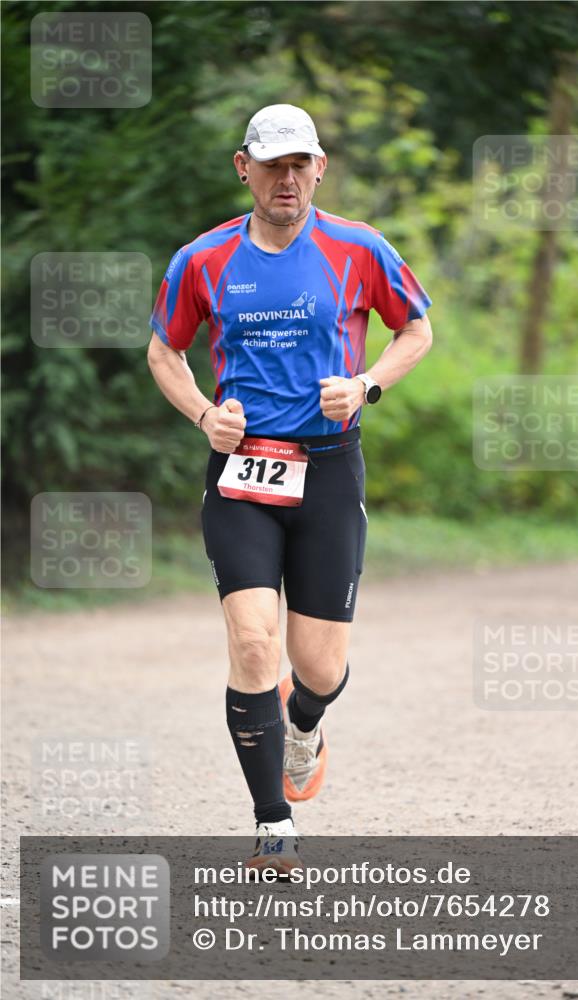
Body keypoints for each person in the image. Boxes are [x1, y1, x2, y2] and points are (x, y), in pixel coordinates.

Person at [147, 104, 432, 874]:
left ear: (319, 167)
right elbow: (164, 349)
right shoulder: (201, 260)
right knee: (251, 644)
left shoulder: (358, 248)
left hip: (329, 470)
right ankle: (274, 827)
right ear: (244, 167)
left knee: (318, 667)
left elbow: (416, 330)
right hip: (242, 474)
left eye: (299, 163)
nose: (286, 178)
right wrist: (206, 414)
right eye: (271, 164)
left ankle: (303, 721)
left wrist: (367, 385)